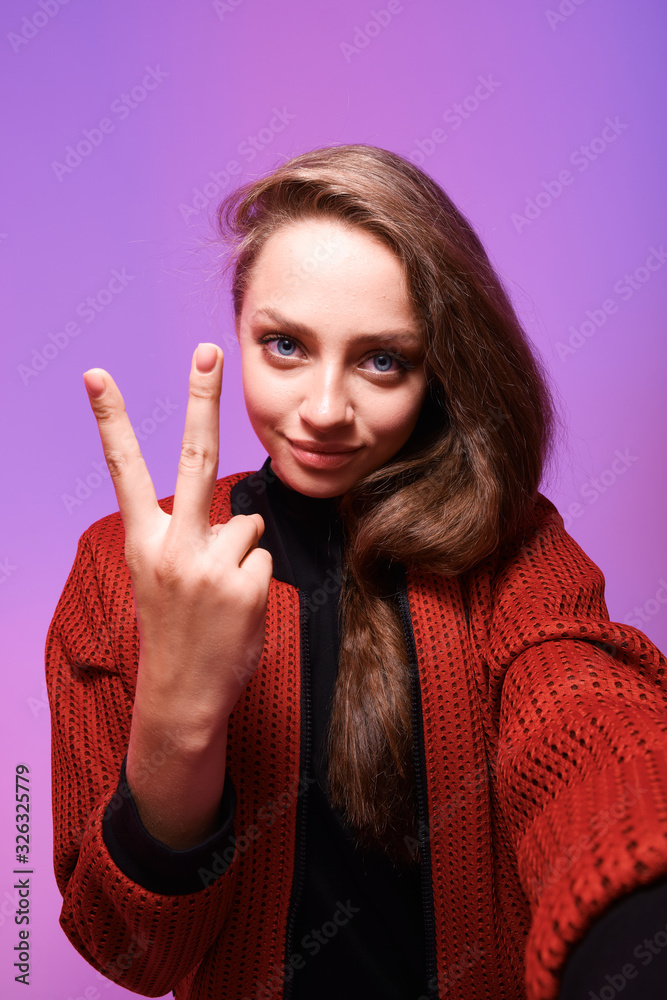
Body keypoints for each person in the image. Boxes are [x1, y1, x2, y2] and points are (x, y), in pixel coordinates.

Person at [46, 144, 667, 1000]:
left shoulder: (511, 550)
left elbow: (587, 724)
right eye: (285, 346)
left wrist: (636, 921)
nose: (325, 410)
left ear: (439, 369)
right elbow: (131, 956)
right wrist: (176, 716)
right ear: (239, 334)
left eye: (383, 360)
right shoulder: (121, 566)